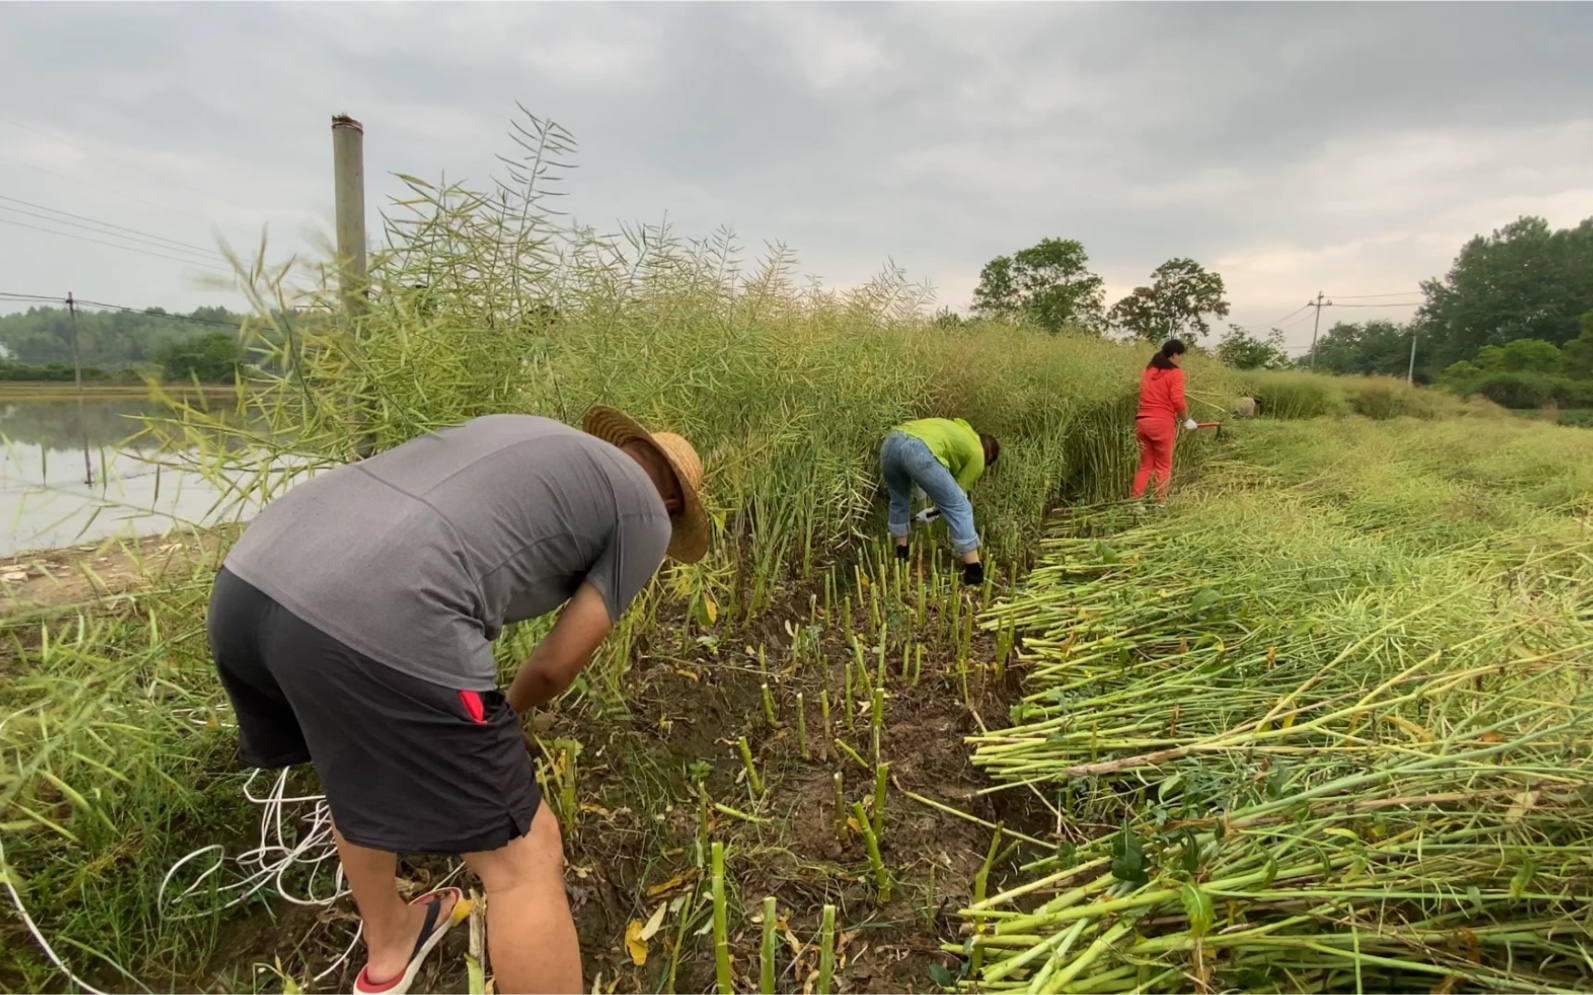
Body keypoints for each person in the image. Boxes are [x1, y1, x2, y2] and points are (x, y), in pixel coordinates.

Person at [206, 408, 707, 995]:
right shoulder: (644, 513)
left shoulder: (530, 431)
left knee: (351, 762)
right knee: (523, 857)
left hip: (249, 579)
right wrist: (506, 714)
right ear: (674, 504)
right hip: (379, 609)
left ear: (624, 445)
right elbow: (554, 664)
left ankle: (392, 941)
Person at [880, 417, 999, 585]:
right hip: (917, 448)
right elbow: (957, 494)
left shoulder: (963, 431)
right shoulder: (978, 454)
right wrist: (940, 508)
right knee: (960, 507)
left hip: (891, 441)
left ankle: (901, 556)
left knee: (899, 499)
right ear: (990, 455)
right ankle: (974, 571)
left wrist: (935, 509)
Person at [1131, 339, 1198, 506]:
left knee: (1145, 466)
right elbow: (1178, 401)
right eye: (1182, 355)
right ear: (1175, 354)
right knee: (1163, 466)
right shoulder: (1175, 373)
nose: (1182, 359)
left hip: (1142, 422)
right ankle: (1161, 503)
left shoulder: (1147, 371)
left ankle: (1134, 503)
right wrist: (1186, 420)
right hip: (1161, 423)